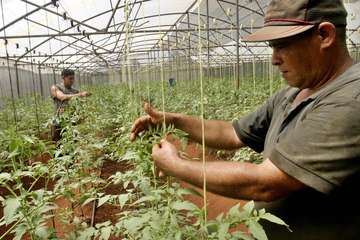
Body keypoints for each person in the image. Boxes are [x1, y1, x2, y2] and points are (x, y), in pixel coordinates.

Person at [130, 0, 360, 239]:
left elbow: (267, 183)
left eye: (281, 45)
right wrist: (173, 121)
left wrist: (176, 166)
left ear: (325, 35)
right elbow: (231, 133)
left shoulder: (350, 100)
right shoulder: (296, 92)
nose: (274, 59)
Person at [50, 69, 91, 141]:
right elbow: (62, 97)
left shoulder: (75, 91)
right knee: (58, 145)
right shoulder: (55, 87)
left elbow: (78, 107)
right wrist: (80, 94)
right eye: (70, 78)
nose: (72, 80)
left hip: (71, 123)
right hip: (58, 123)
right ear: (63, 77)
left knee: (72, 145)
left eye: (73, 78)